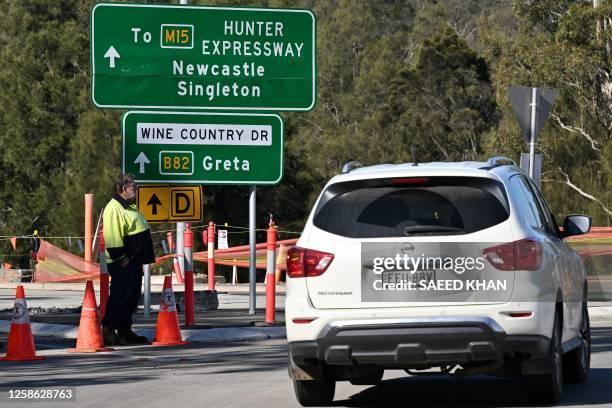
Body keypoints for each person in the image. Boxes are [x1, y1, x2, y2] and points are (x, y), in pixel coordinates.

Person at [101, 174, 155, 345]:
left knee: (132, 297)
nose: (135, 189)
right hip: (123, 262)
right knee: (119, 296)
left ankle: (124, 330)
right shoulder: (113, 207)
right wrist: (121, 258)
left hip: (134, 260)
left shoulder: (129, 207)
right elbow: (112, 236)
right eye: (133, 186)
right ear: (123, 188)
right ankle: (108, 330)